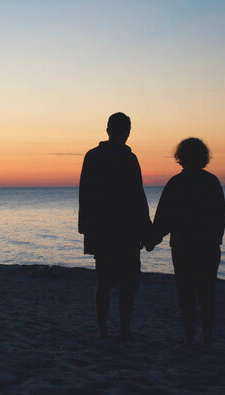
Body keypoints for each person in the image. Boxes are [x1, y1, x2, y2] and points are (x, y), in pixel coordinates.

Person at [78, 112, 154, 340]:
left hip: (107, 229)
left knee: (108, 281)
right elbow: (137, 197)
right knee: (123, 283)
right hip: (120, 229)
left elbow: (85, 193)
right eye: (125, 129)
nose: (126, 133)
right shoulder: (125, 159)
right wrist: (146, 229)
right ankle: (119, 329)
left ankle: (109, 329)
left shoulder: (95, 156)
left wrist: (86, 226)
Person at [153, 137, 225, 346]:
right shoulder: (211, 182)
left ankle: (189, 338)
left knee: (186, 293)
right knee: (206, 292)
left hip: (183, 245)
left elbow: (163, 218)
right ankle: (207, 338)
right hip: (208, 246)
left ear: (180, 157)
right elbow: (220, 216)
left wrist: (152, 238)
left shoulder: (176, 183)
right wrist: (215, 238)